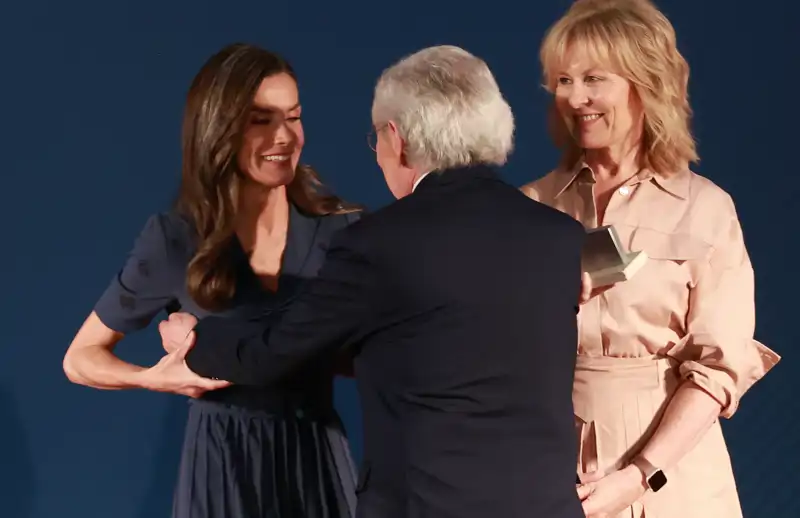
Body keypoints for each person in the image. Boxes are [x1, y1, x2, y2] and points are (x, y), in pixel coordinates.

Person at [159, 45, 587, 518]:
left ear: (397, 139)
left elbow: (270, 354)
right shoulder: (559, 238)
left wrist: (195, 339)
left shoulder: (379, 245)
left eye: (376, 139)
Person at [62, 43, 361, 518]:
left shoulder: (342, 231)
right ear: (218, 129)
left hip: (317, 458)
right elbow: (80, 359)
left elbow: (371, 353)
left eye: (294, 116)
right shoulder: (176, 239)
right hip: (223, 466)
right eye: (261, 120)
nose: (285, 136)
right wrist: (154, 379)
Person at [520, 1, 781, 517]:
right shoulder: (530, 207)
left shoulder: (705, 209)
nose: (575, 98)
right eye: (563, 81)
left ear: (646, 83)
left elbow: (718, 370)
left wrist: (641, 476)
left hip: (673, 480)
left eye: (593, 78)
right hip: (552, 474)